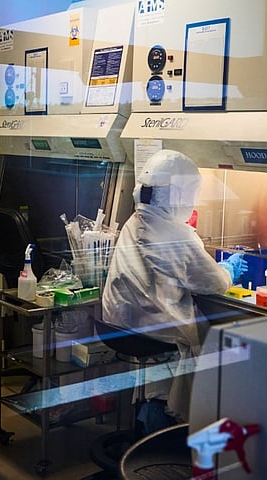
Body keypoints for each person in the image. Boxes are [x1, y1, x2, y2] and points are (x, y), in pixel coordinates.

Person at [101, 149, 247, 426]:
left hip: (120, 323)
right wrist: (229, 270)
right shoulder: (175, 235)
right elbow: (214, 283)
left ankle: (149, 418)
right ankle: (167, 425)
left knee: (163, 359)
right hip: (154, 332)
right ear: (178, 194)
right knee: (207, 348)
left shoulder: (135, 221)